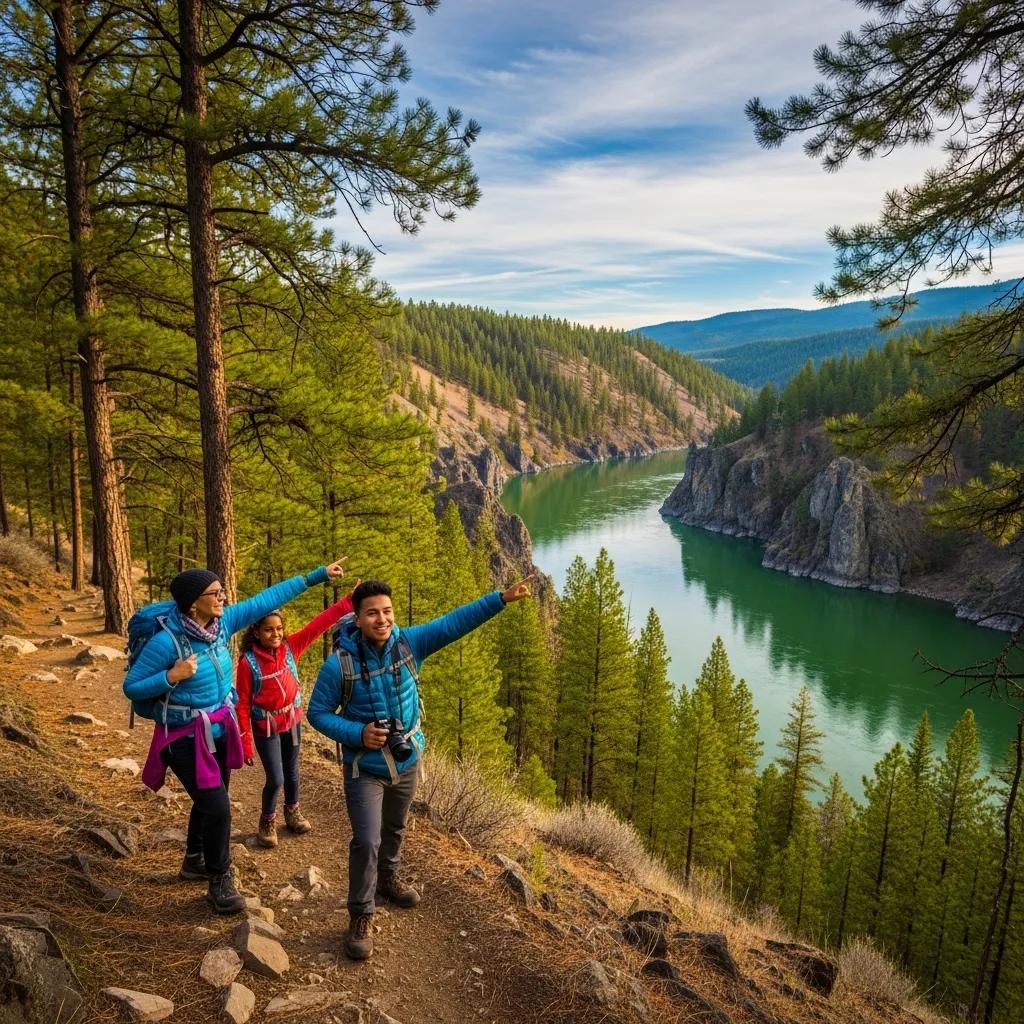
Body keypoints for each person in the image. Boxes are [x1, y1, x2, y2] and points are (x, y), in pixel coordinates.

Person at [307, 574, 533, 960]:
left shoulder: (410, 643)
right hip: (365, 766)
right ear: (358, 619)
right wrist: (357, 733)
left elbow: (455, 622)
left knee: (395, 826)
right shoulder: (338, 666)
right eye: (373, 613)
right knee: (366, 839)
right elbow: (316, 714)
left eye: (388, 611)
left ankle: (388, 878)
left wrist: (502, 598)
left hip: (407, 757)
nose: (383, 619)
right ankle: (360, 914)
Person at [125, 560, 346, 913]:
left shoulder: (221, 624)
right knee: (218, 806)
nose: (223, 597)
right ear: (192, 602)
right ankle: (219, 879)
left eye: (221, 591)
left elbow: (268, 598)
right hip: (184, 735)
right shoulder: (167, 644)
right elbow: (131, 686)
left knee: (211, 800)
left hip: (218, 728)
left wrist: (317, 576)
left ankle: (194, 859)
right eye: (214, 593)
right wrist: (171, 675)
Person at [236, 584, 359, 848]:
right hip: (265, 726)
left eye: (279, 629)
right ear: (255, 632)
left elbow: (319, 624)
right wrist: (245, 742)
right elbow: (243, 705)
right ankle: (267, 820)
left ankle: (292, 811)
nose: (275, 634)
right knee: (276, 777)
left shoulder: (291, 648)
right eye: (269, 629)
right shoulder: (247, 663)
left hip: (291, 721)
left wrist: (348, 602)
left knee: (292, 772)